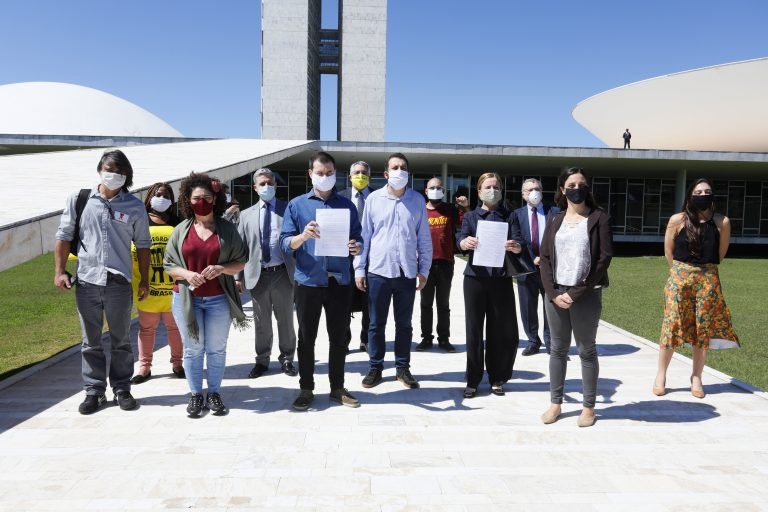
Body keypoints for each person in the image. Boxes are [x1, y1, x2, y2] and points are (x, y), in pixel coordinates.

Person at [53, 149, 150, 414]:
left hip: (119, 283)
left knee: (121, 339)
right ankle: (94, 391)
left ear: (127, 175)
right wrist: (60, 271)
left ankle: (122, 388)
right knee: (91, 341)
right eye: (110, 169)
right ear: (100, 170)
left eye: (120, 171)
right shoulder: (80, 199)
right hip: (87, 282)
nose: (114, 175)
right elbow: (64, 235)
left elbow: (143, 245)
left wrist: (144, 280)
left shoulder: (134, 206)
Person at [280, 151, 363, 411]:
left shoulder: (347, 206)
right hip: (308, 282)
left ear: (335, 173)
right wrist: (303, 236)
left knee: (339, 338)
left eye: (329, 173)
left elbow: (359, 238)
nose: (325, 177)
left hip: (339, 282)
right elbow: (285, 243)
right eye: (320, 173)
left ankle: (337, 388)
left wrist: (356, 247)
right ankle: (306, 388)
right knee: (307, 338)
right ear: (310, 174)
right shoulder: (296, 205)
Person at [164, 172, 247, 418]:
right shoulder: (181, 230)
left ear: (215, 199)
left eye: (207, 197)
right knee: (193, 349)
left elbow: (240, 261)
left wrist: (221, 268)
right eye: (196, 198)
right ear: (187, 200)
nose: (202, 202)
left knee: (216, 349)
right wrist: (187, 275)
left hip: (218, 299)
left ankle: (214, 393)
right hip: (186, 299)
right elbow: (169, 265)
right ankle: (195, 395)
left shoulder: (227, 229)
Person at [539, 167, 613, 428]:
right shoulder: (555, 219)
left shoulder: (599, 218)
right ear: (562, 189)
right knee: (557, 350)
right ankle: (555, 403)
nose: (576, 189)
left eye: (581, 184)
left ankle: (588, 407)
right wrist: (553, 293)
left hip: (586, 294)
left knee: (586, 350)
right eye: (571, 185)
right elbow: (545, 258)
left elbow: (603, 259)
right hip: (557, 294)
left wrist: (576, 293)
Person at [654, 178, 739, 399]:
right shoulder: (677, 220)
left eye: (707, 191)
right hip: (679, 279)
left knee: (702, 329)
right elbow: (669, 251)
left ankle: (696, 377)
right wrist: (680, 274)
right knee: (671, 325)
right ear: (690, 195)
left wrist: (703, 273)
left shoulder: (722, 222)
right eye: (698, 192)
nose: (703, 195)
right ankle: (661, 375)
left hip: (708, 281)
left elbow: (720, 254)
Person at [355, 153, 432, 389]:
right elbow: (364, 236)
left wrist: (424, 270)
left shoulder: (417, 200)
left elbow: (424, 238)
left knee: (404, 324)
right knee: (375, 324)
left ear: (408, 172)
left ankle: (402, 368)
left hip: (406, 273)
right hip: (378, 271)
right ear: (386, 174)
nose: (399, 171)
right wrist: (359, 268)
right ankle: (375, 367)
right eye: (395, 167)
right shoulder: (373, 200)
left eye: (403, 167)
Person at [456, 172, 523, 398]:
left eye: (496, 187)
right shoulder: (470, 216)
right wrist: (464, 242)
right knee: (474, 330)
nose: (492, 190)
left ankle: (497, 377)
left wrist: (516, 246)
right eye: (487, 187)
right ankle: (473, 379)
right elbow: (461, 239)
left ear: (501, 190)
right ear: (479, 191)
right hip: (475, 279)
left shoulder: (510, 216)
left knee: (500, 330)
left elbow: (520, 241)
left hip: (501, 279)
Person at [236, 168, 297, 379]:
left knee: (286, 320)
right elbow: (241, 248)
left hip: (282, 273)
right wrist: (237, 277)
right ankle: (262, 361)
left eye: (270, 183)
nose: (266, 186)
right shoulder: (245, 215)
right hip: (258, 275)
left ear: (276, 185)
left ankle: (287, 359)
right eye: (262, 183)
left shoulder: (288, 209)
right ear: (255, 187)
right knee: (261, 322)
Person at [131, 182, 184, 384]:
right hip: (147, 287)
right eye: (158, 194)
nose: (161, 198)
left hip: (173, 288)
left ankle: (177, 364)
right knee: (146, 329)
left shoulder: (178, 222)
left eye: (166, 195)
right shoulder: (139, 221)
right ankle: (144, 367)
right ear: (149, 197)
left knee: (175, 327)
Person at [416, 177, 468, 353]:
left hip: (445, 262)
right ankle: (426, 338)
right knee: (426, 303)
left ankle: (444, 339)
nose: (435, 190)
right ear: (426, 191)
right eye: (432, 187)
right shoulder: (420, 210)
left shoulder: (450, 209)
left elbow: (467, 222)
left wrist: (465, 207)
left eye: (439, 187)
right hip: (425, 264)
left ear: (444, 192)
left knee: (443, 303)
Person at [510, 178, 560, 356]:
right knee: (527, 307)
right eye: (530, 190)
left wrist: (544, 259)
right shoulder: (516, 215)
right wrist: (533, 259)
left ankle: (551, 342)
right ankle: (533, 341)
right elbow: (517, 238)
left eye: (537, 188)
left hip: (550, 269)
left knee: (551, 307)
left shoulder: (555, 212)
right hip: (526, 268)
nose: (534, 192)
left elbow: (559, 239)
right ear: (523, 194)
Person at [339, 160, 374, 353]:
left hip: (371, 259)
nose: (360, 176)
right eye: (357, 172)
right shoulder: (340, 197)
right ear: (349, 176)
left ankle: (366, 339)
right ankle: (343, 340)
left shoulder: (377, 197)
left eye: (364, 172)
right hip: (345, 258)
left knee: (370, 302)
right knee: (343, 302)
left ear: (369, 176)